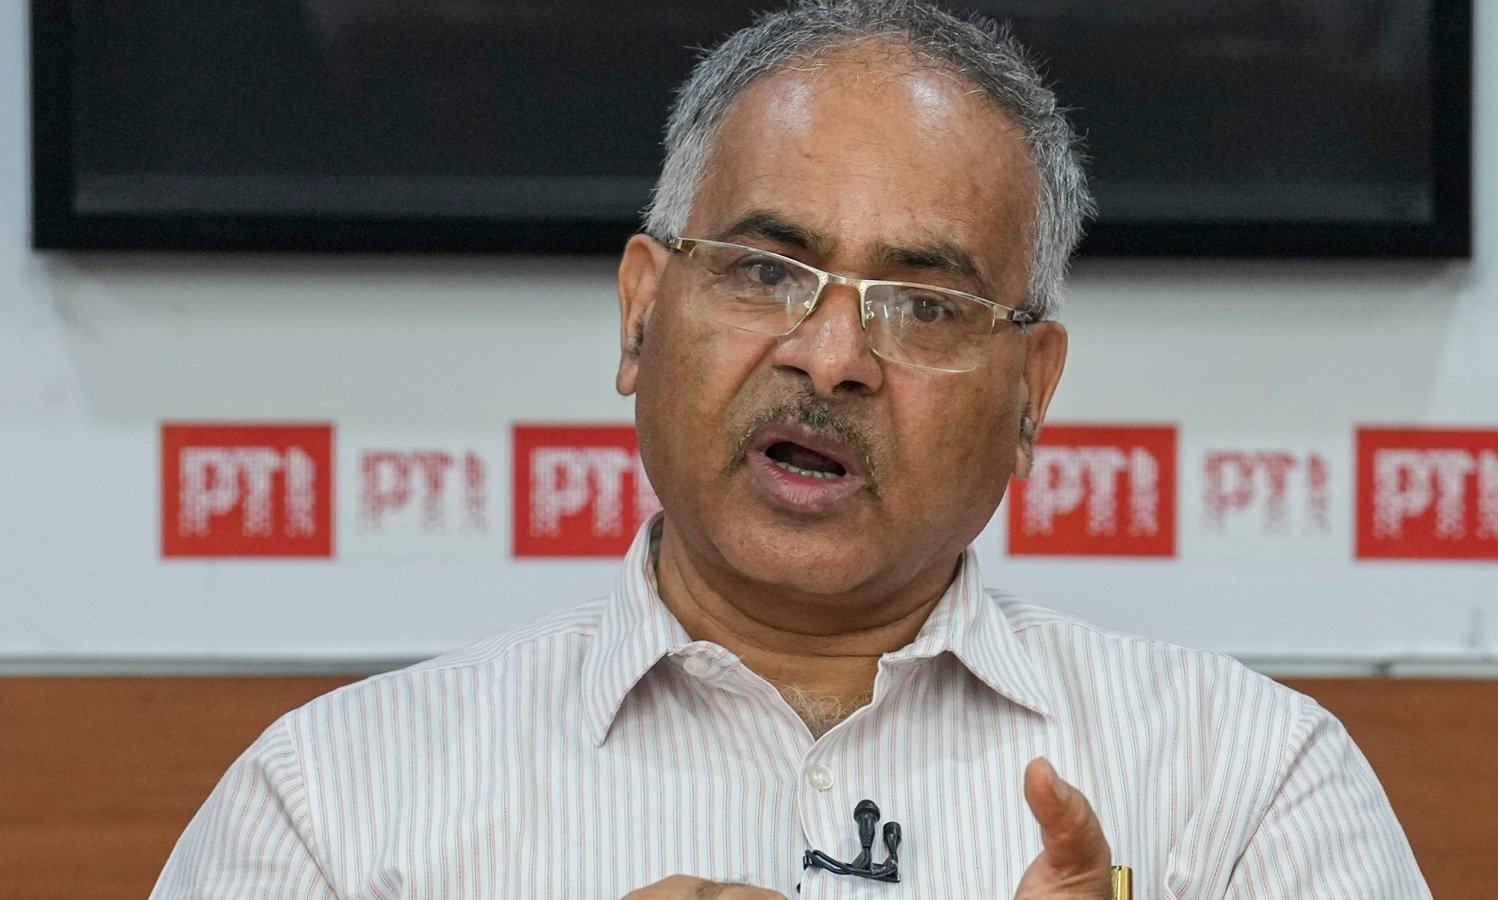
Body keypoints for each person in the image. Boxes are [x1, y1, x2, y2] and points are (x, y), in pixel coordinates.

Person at [153, 1, 1430, 897]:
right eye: (765, 271)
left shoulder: (1247, 785)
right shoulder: (333, 807)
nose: (830, 359)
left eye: (924, 306)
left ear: (1031, 393)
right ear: (641, 312)